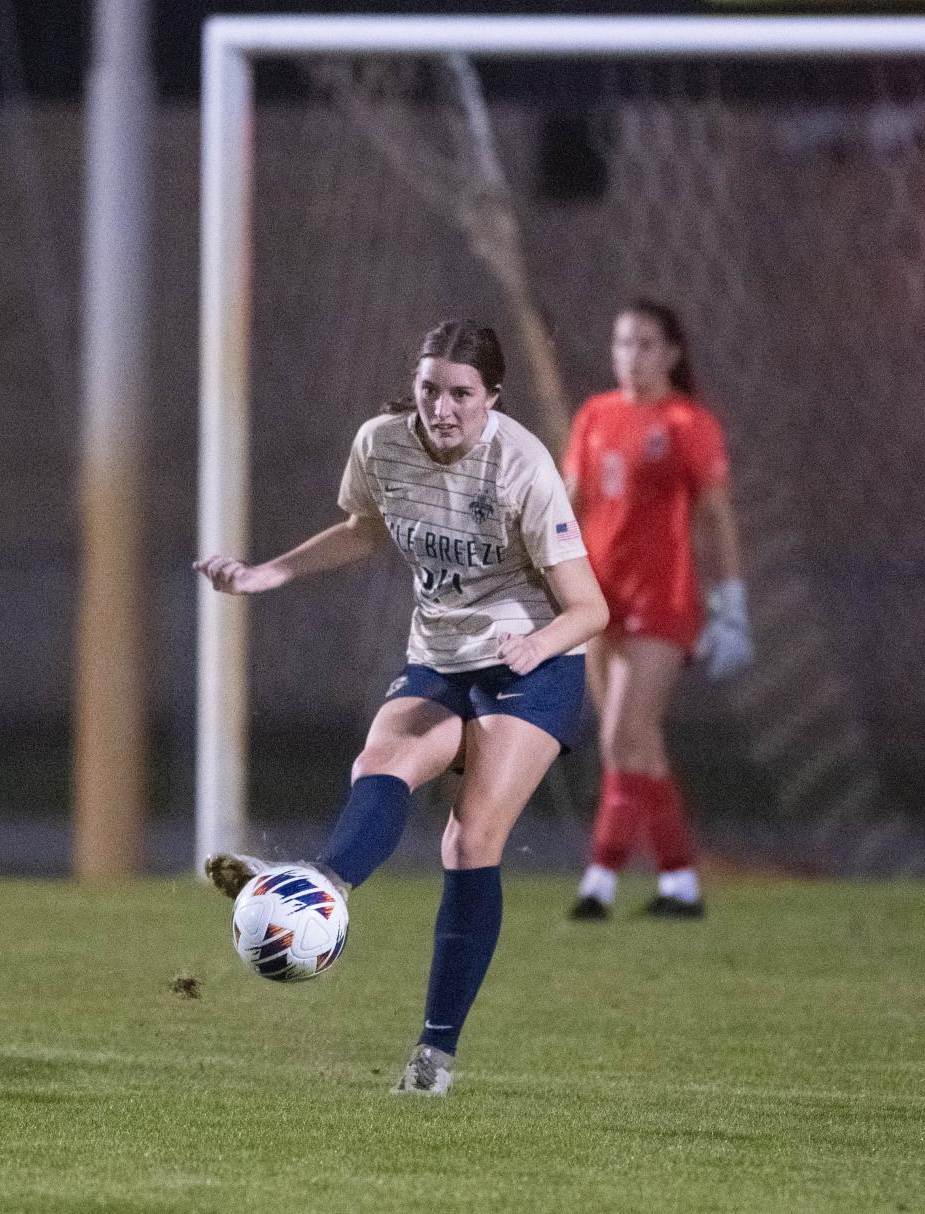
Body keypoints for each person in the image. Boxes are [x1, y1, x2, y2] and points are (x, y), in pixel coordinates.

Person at [195, 319, 610, 1095]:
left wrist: (538, 644)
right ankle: (312, 889)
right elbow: (365, 530)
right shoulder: (382, 443)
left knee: (468, 838)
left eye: (460, 393)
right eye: (429, 389)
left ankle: (434, 1055)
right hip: (443, 656)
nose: (442, 408)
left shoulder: (522, 466)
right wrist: (266, 576)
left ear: (492, 397)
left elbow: (592, 609)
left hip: (532, 664)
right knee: (380, 760)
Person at [563, 300, 752, 922]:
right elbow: (570, 502)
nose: (632, 356)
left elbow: (716, 517)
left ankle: (599, 881)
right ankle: (681, 885)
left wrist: (732, 607)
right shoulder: (595, 414)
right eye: (623, 343)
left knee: (624, 734)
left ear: (672, 353)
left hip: (662, 600)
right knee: (635, 745)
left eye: (646, 344)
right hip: (597, 600)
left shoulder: (686, 421)